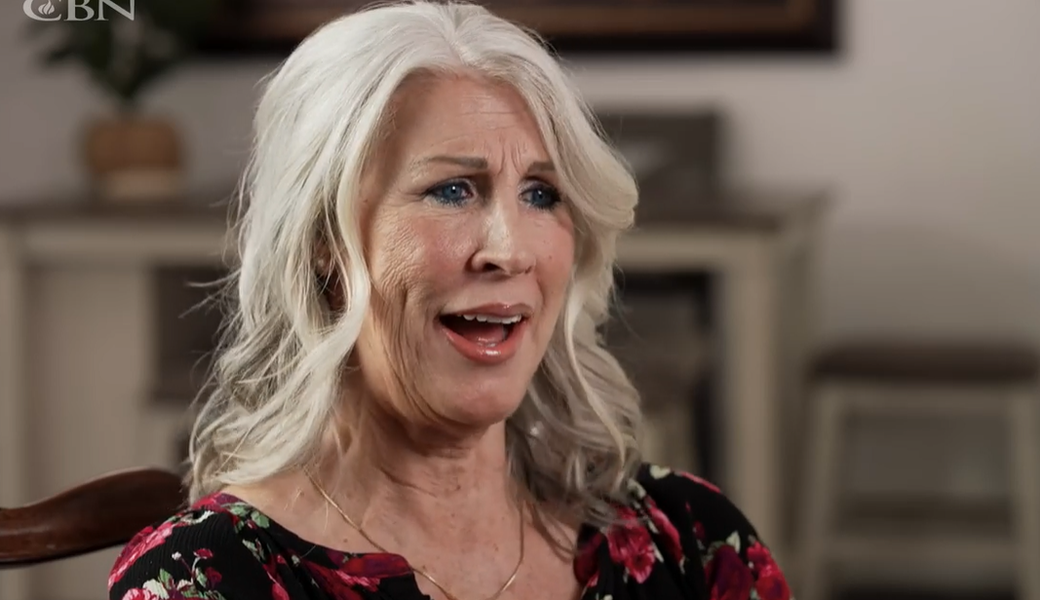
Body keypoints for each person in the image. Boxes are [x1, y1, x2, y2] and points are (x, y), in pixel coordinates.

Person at [107, 2, 792, 600]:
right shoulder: (206, 579)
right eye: (453, 191)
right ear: (323, 238)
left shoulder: (692, 538)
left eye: (541, 194)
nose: (511, 251)